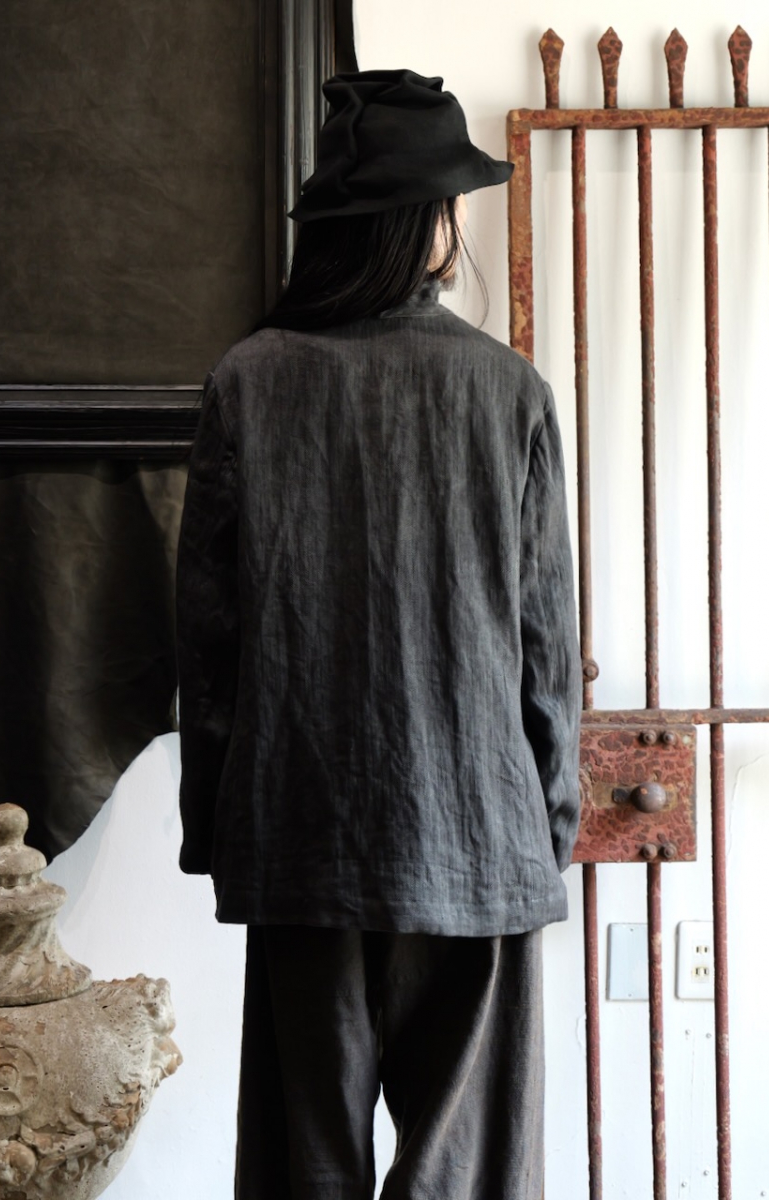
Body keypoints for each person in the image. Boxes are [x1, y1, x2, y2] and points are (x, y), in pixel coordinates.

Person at [176, 68, 581, 1200]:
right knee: (468, 1172)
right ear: (430, 224)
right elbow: (545, 645)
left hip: (301, 833)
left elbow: (208, 644)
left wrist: (222, 829)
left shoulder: (246, 383)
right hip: (475, 832)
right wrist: (544, 828)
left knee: (304, 1163)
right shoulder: (508, 391)